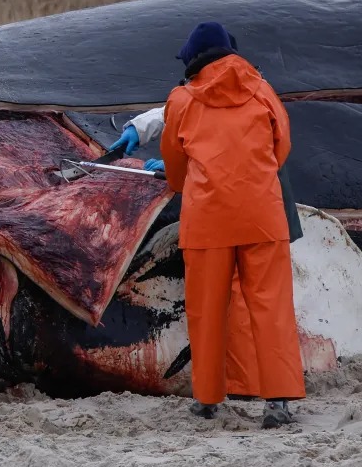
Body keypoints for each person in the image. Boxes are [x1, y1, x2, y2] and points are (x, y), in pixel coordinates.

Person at [109, 30, 303, 421]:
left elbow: (175, 162)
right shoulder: (263, 90)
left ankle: (209, 399)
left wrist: (193, 181)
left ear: (193, 62)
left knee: (207, 310)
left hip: (207, 220)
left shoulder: (182, 99)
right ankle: (278, 401)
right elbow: (281, 146)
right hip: (262, 216)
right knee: (271, 307)